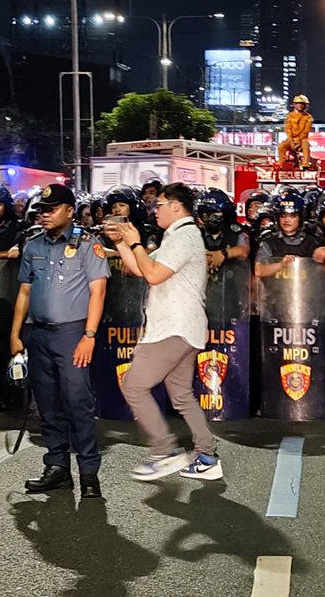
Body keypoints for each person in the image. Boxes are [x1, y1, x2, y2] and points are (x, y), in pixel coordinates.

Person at [104, 183, 222, 482]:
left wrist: (135, 242)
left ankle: (165, 452)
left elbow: (153, 275)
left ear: (177, 207)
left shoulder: (184, 236)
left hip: (172, 328)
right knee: (181, 395)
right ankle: (207, 457)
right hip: (183, 328)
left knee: (133, 386)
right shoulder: (178, 236)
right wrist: (121, 243)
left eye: (160, 204)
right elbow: (141, 269)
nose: (155, 209)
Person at [10, 184, 108, 498]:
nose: (44, 214)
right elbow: (24, 292)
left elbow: (98, 291)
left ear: (69, 211)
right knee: (48, 405)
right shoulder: (33, 246)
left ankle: (89, 473)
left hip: (72, 334)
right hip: (38, 334)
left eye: (51, 209)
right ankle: (57, 468)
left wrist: (89, 336)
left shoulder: (87, 244)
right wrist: (15, 334)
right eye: (41, 209)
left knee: (78, 403)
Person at [254, 194, 325, 279]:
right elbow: (258, 270)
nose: (286, 220)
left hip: (307, 291)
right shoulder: (269, 242)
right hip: (275, 291)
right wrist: (281, 264)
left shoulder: (314, 242)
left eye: (292, 216)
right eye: (283, 216)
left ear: (301, 217)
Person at [277, 95, 313, 167]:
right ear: (294, 105)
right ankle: (281, 163)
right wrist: (291, 140)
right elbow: (288, 129)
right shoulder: (289, 116)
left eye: (302, 104)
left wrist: (299, 141)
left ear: (305, 105)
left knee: (305, 144)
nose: (300, 105)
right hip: (291, 139)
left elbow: (306, 131)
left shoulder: (308, 117)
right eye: (298, 103)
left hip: (302, 139)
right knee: (280, 147)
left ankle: (305, 163)